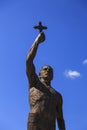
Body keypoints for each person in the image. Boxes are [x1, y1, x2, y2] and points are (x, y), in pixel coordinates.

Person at [26, 32, 66, 130]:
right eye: (45, 69)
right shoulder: (34, 83)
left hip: (50, 126)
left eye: (50, 70)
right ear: (39, 73)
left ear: (53, 76)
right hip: (35, 123)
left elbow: (60, 119)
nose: (48, 70)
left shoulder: (57, 95)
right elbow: (29, 61)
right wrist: (37, 41)